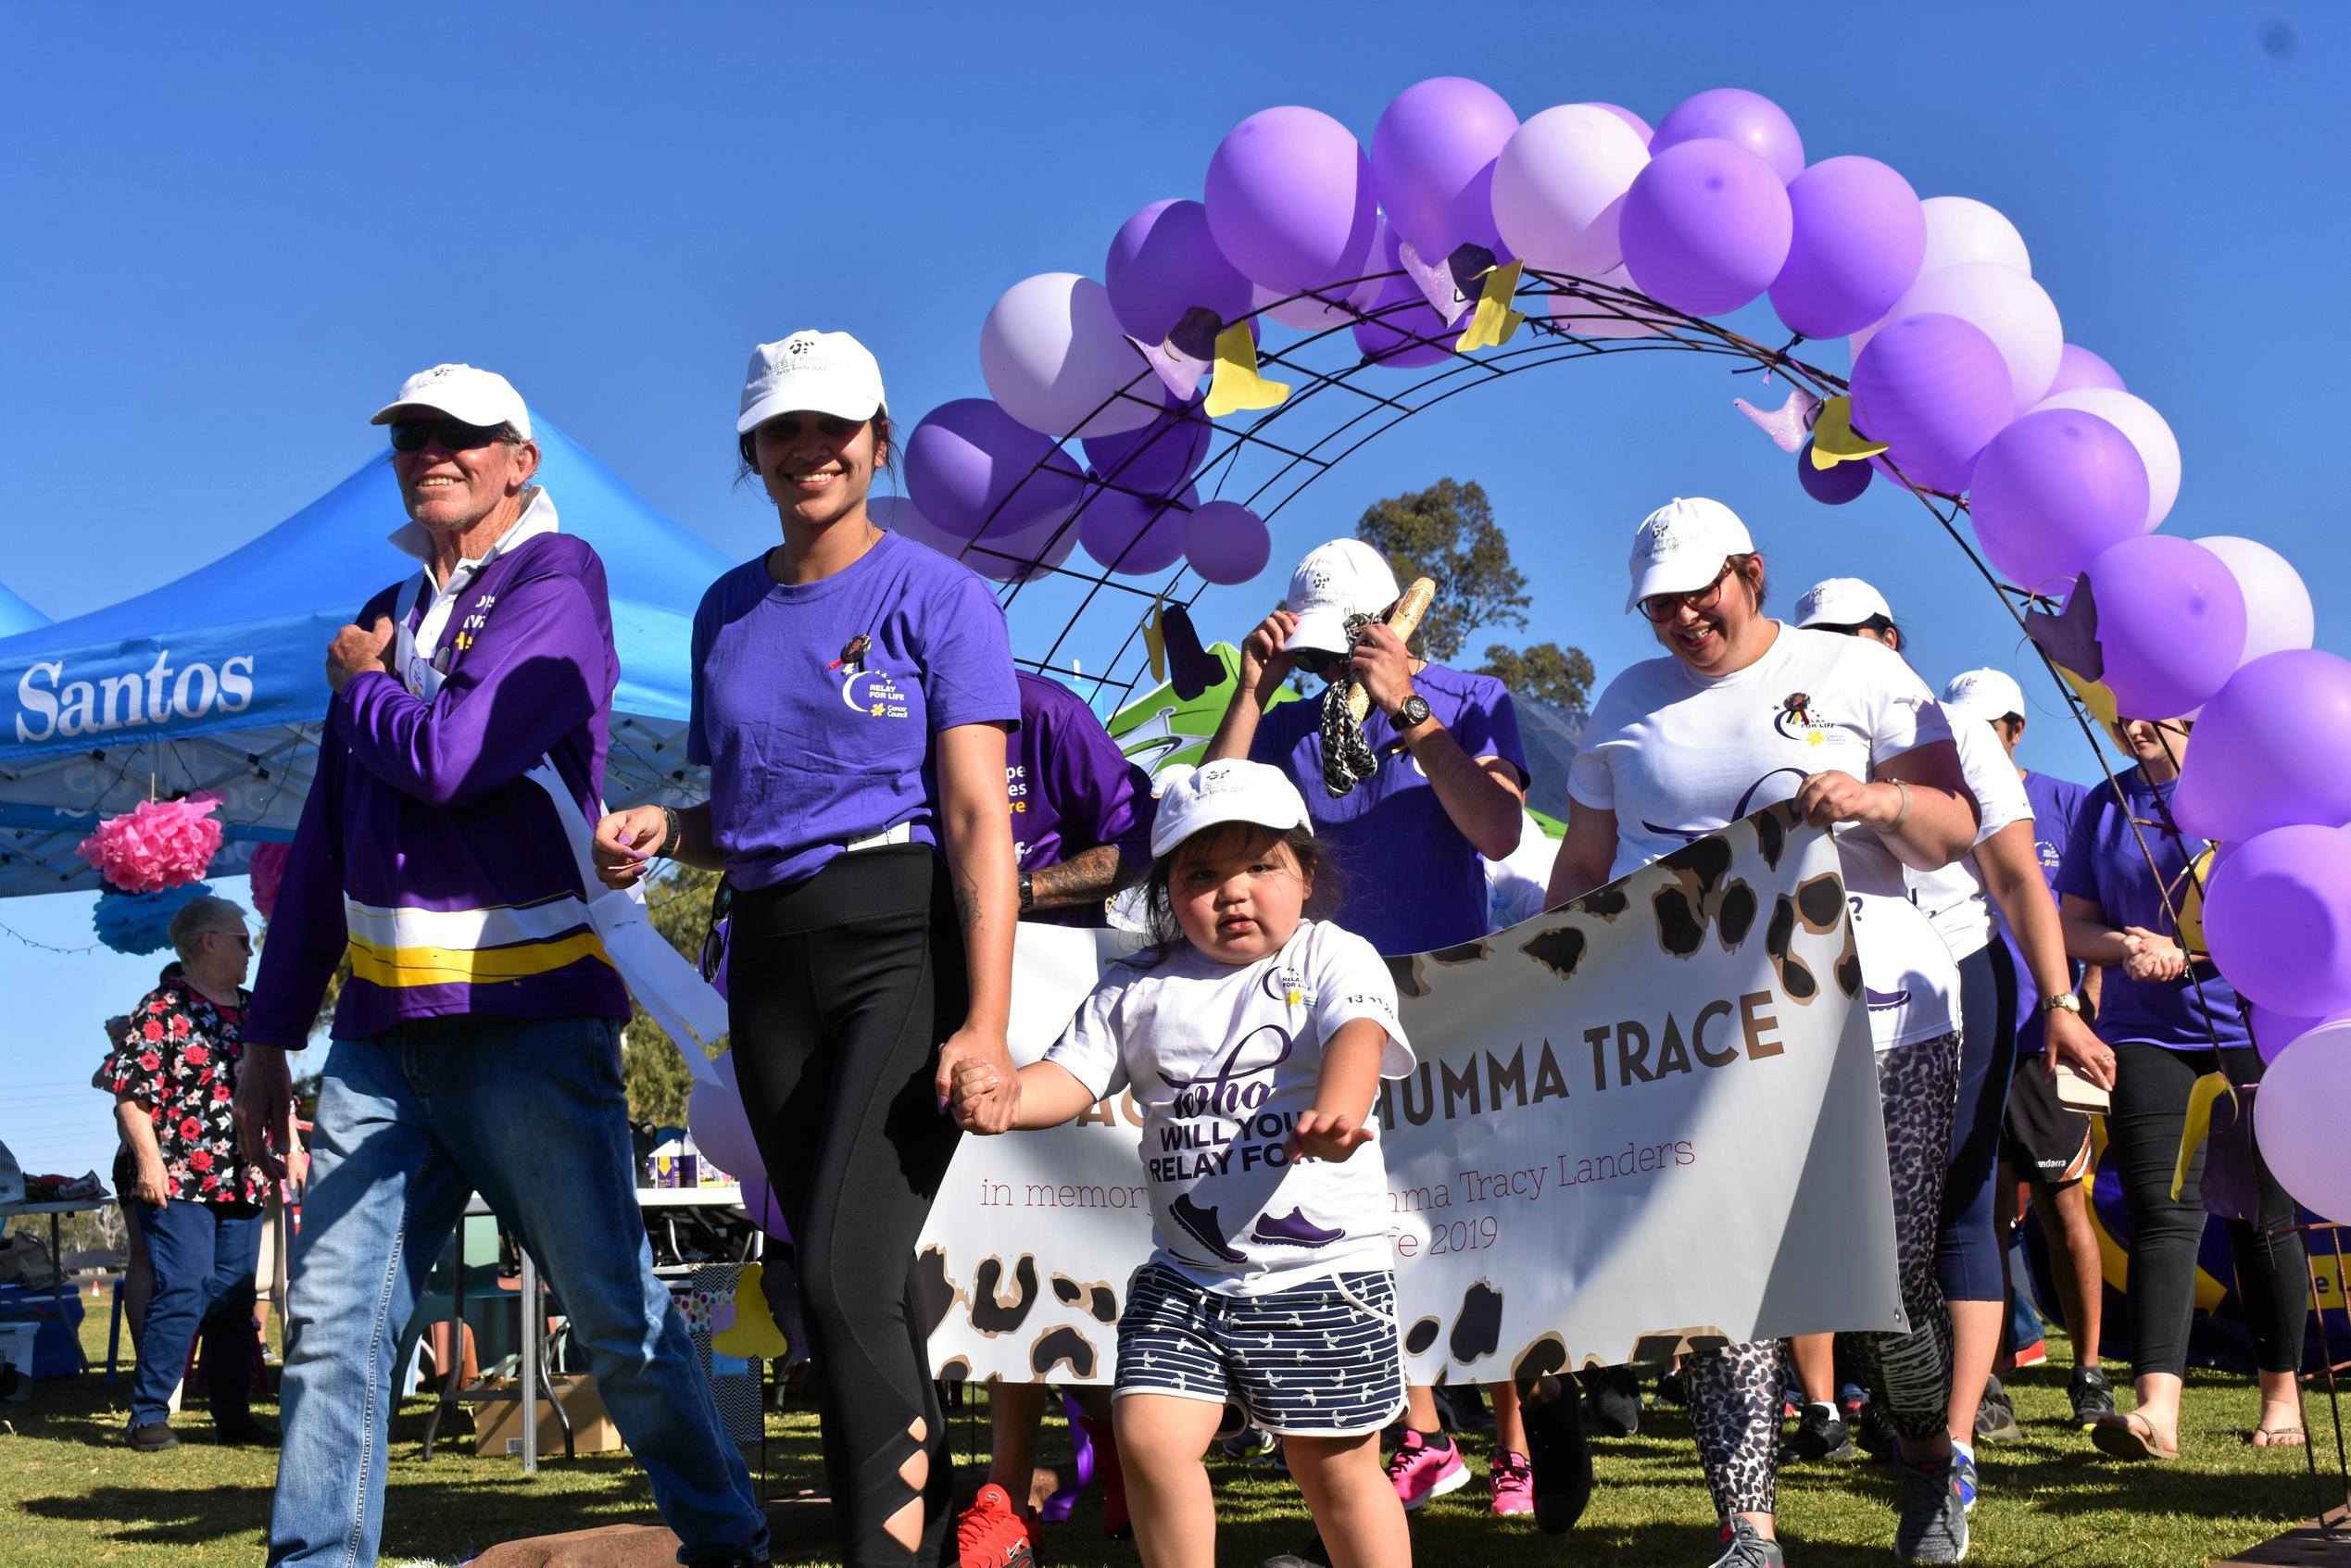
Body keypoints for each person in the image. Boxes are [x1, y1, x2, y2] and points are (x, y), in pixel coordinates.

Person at [239, 364, 769, 1567]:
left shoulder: (556, 577)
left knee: (616, 1323)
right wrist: (267, 1033)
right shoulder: (383, 611)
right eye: (411, 435)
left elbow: (451, 757)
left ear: (518, 460)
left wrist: (362, 689)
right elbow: (328, 836)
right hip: (376, 1039)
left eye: (461, 434)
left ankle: (730, 1548)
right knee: (330, 1330)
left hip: (528, 1022)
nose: (431, 449)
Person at [595, 330, 1022, 1566]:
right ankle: (934, 1550)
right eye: (783, 428)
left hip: (900, 934)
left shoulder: (938, 596)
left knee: (843, 1276)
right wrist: (666, 830)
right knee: (832, 1286)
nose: (810, 448)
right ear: (752, 451)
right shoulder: (727, 610)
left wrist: (983, 1022)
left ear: (877, 440)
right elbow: (745, 810)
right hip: (768, 951)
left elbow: (980, 819)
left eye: (835, 425)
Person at [1545, 499, 1983, 1567]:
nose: (1683, 617)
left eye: (1701, 591)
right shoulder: (1625, 705)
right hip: (1703, 1029)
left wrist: (1875, 802)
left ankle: (1931, 1469)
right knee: (1718, 1278)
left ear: (1751, 571)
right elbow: (1580, 871)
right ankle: (1749, 1530)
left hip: (1887, 1012)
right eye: (1659, 605)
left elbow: (1955, 826)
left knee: (1887, 1284)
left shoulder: (1861, 675)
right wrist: (1538, 972)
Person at [949, 759, 1414, 1568]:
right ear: (1167, 895)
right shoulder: (1139, 986)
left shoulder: (1331, 955)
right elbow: (1073, 1075)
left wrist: (1341, 1107)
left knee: (1333, 1468)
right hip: (1186, 1276)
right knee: (1150, 1435)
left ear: (1305, 874)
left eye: (1260, 865)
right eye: (1202, 873)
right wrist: (1009, 1099)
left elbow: (1360, 1035)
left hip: (1321, 1275)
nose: (1234, 890)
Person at [1205, 537, 1540, 1517]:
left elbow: (1499, 829)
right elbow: (1207, 824)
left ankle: (1517, 1442)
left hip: (1450, 991)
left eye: (1342, 642)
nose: (1327, 664)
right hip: (1335, 1005)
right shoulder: (1292, 723)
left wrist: (1409, 706)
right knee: (1374, 1226)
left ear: (1391, 624)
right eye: (1315, 649)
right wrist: (1255, 694)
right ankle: (1425, 1435)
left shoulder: (1471, 696)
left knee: (1481, 1219)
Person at [1791, 587, 2115, 1512]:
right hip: (1832, 987)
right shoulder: (1798, 731)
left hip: (1959, 976)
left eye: (1842, 638)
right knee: (1857, 1212)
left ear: (1889, 639)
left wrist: (2060, 1002)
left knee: (1961, 1207)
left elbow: (2017, 877)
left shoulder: (1962, 732)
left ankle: (1955, 1440)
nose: (1824, 657)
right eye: (1807, 641)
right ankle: (1875, 1402)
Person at [2057, 713, 2310, 1461]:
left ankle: (2282, 1396)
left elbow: (2285, 911)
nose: (2134, 724)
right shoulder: (2106, 805)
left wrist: (2194, 948)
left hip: (2251, 1035)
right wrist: (2127, 946)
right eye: (2124, 710)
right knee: (2161, 1213)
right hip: (2145, 1038)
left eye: (2157, 714)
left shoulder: (2249, 803)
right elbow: (2073, 925)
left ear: (2200, 719)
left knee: (2262, 1218)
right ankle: (2155, 1409)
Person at [955, 669, 1154, 1563]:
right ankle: (1006, 1492)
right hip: (946, 1004)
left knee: (1093, 1250)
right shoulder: (888, 718)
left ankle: (1118, 1456)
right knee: (994, 1249)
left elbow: (1138, 843)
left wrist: (1017, 898)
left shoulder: (1047, 714)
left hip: (1065, 1007)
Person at [1942, 669, 2116, 1430]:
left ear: (2016, 729)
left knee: (2063, 1206)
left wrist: (2082, 1010)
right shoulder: (1943, 800)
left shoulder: (2066, 802)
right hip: (1967, 1033)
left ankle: (2089, 1372)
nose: (1975, 739)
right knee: (1980, 1212)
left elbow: (2088, 913)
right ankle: (1987, 1385)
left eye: (1989, 727)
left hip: (2044, 1038)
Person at [103, 901, 271, 1450]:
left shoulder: (253, 1010)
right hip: (177, 1176)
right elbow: (130, 1097)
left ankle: (233, 1416)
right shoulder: (162, 1008)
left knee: (234, 1296)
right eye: (242, 940)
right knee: (185, 1285)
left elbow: (277, 1079)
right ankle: (148, 1415)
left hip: (241, 1175)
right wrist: (151, 1164)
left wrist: (284, 1144)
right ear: (208, 943)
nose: (250, 950)